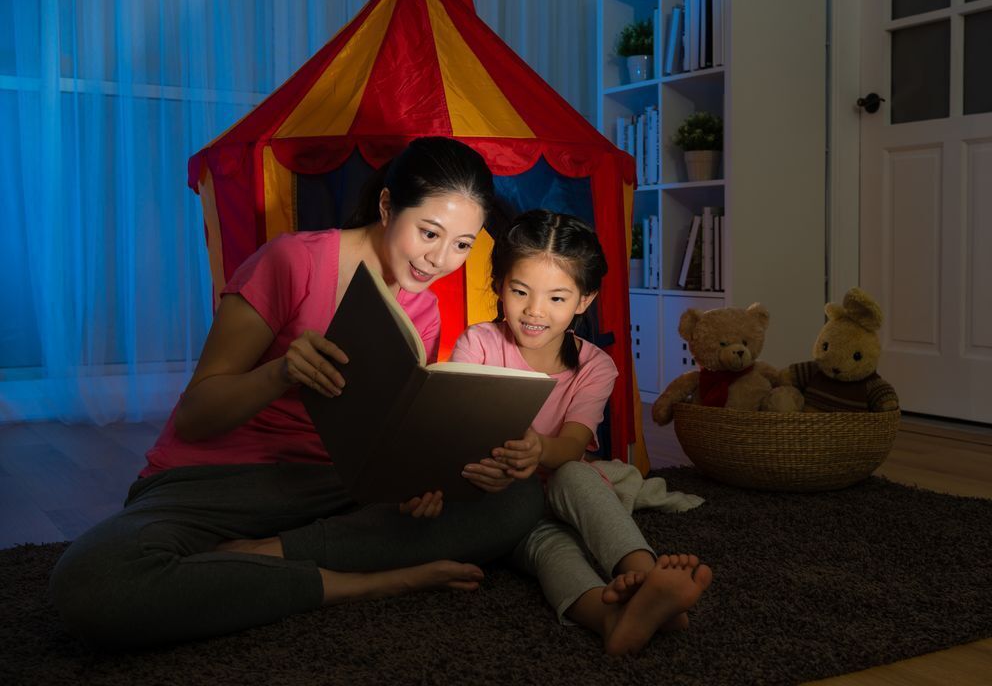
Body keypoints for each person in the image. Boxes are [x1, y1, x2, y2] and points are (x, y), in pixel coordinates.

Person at [49, 137, 544, 649]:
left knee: (519, 500)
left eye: (463, 245)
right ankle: (358, 583)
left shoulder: (422, 311)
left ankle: (264, 556)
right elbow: (195, 416)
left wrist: (426, 478)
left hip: (335, 488)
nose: (440, 259)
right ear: (387, 205)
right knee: (93, 583)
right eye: (429, 233)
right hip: (219, 483)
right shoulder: (290, 262)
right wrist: (281, 373)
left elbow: (388, 431)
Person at [452, 209, 712, 655]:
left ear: (584, 301)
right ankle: (608, 615)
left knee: (577, 474)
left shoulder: (595, 366)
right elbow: (453, 433)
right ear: (498, 285)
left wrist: (538, 449)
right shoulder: (476, 345)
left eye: (556, 298)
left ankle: (644, 575)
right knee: (550, 548)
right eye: (520, 292)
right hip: (503, 504)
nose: (534, 311)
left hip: (564, 489)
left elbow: (572, 448)